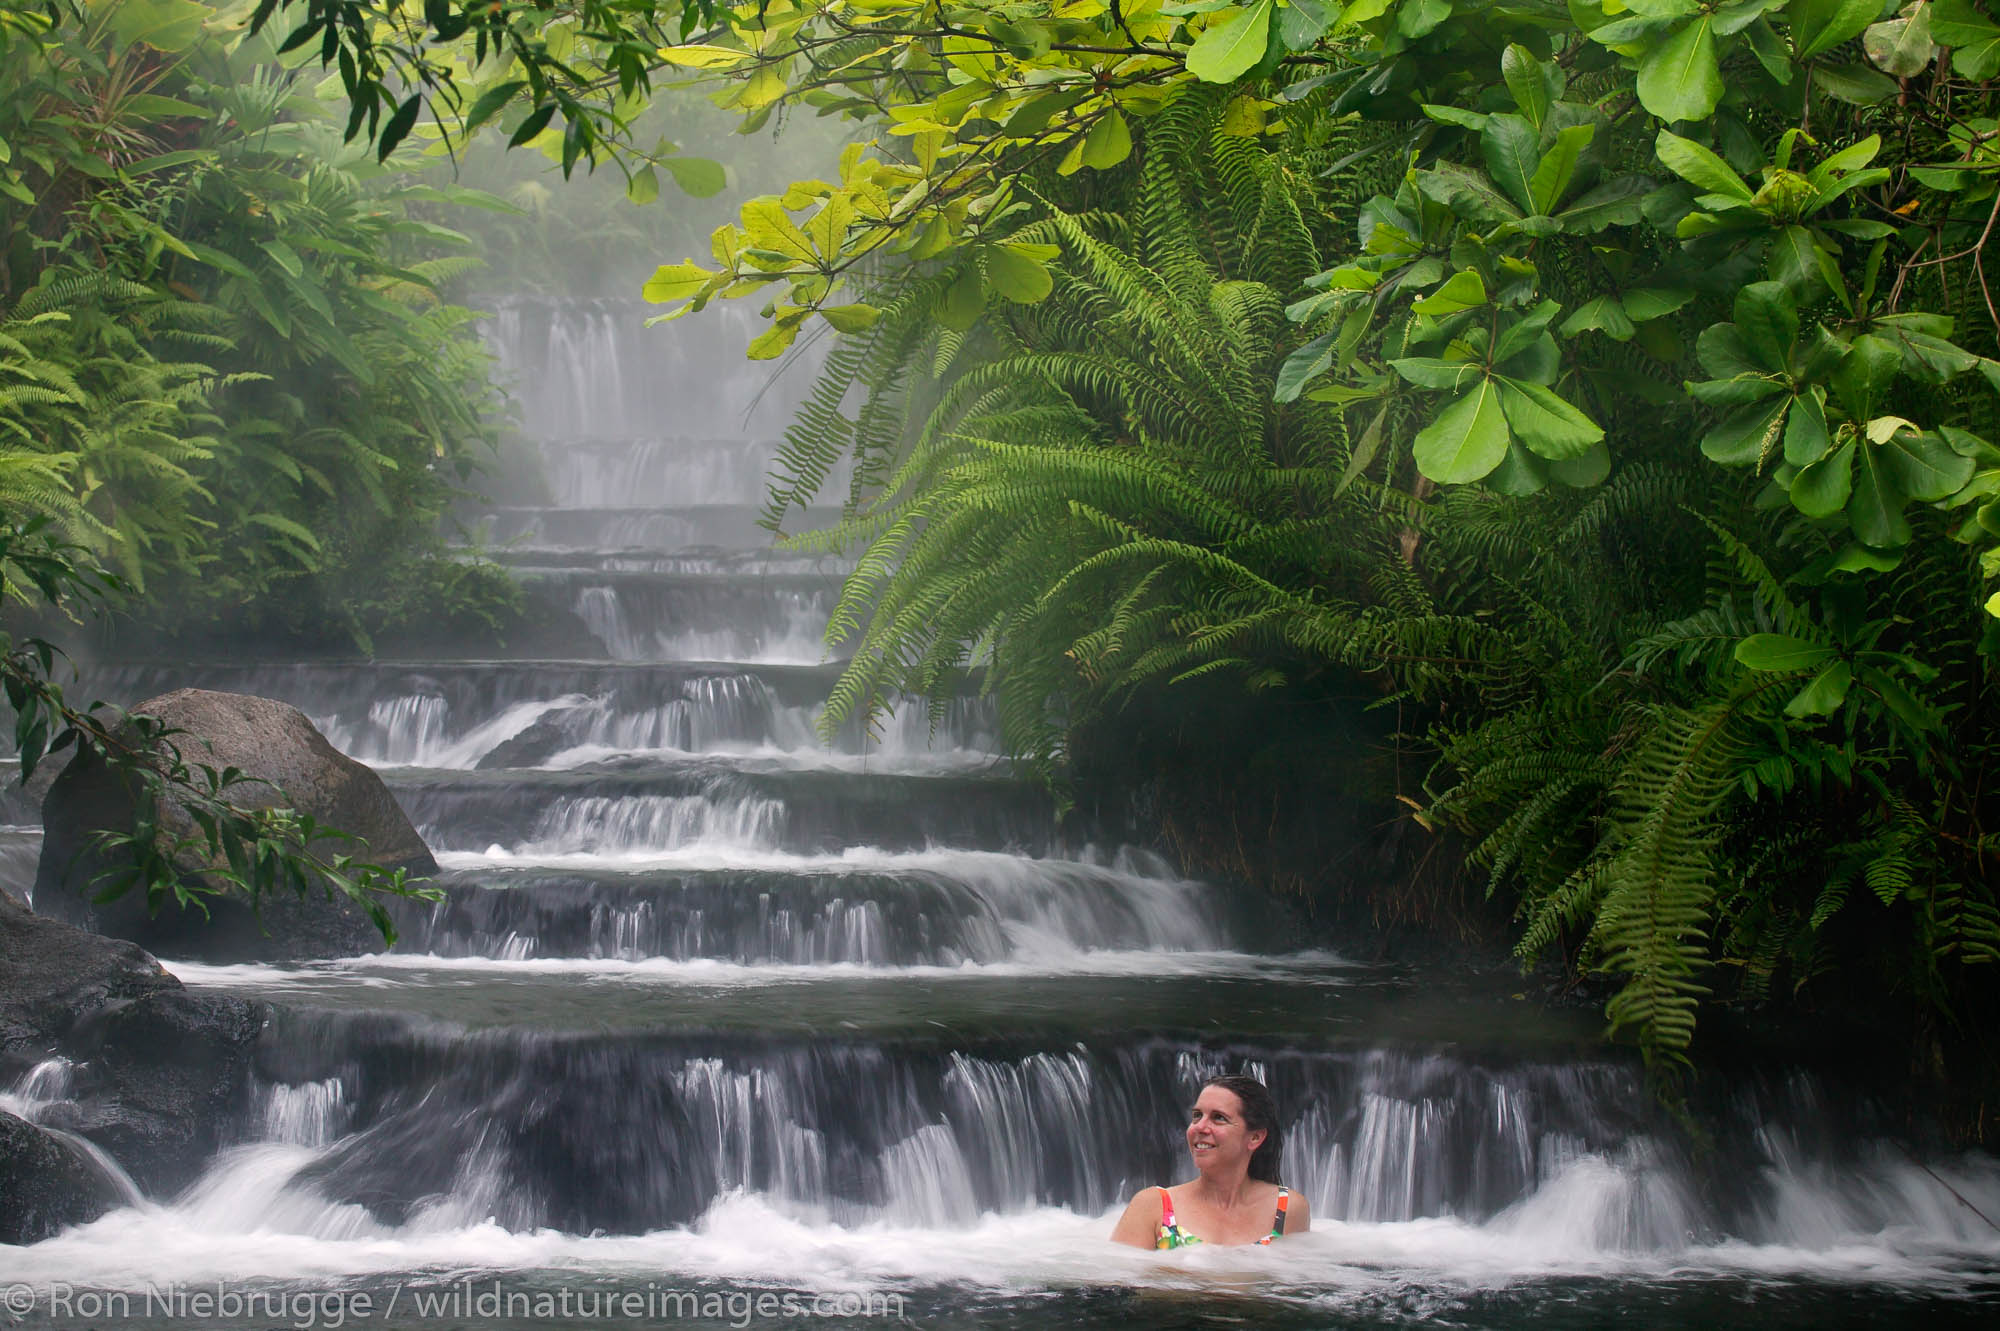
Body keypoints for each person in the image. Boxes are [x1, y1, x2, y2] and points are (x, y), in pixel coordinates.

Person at [1109, 1074, 1312, 1248]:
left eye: (1218, 1118)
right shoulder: (1153, 1206)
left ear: (1255, 1138)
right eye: (1197, 1116)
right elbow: (1119, 1283)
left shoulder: (1287, 1208)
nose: (1200, 1127)